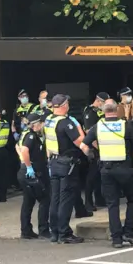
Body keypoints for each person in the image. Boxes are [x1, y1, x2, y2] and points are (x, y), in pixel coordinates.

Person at [81, 99, 133, 248]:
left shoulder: (98, 127)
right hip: (125, 168)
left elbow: (83, 145)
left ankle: (116, 239)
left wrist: (94, 156)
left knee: (112, 204)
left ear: (103, 111)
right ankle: (129, 232)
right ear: (117, 110)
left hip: (107, 170)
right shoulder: (125, 125)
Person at [44, 94, 85, 244]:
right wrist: (80, 129)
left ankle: (54, 232)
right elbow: (79, 141)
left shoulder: (49, 120)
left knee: (55, 199)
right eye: (67, 103)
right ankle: (64, 233)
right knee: (66, 199)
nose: (69, 105)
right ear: (63, 106)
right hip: (66, 164)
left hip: (53, 162)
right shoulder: (65, 122)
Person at [17, 113, 51, 239]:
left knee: (28, 201)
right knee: (44, 199)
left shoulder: (27, 134)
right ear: (37, 124)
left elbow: (17, 146)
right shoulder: (31, 136)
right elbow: (24, 150)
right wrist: (29, 166)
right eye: (41, 123)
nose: (43, 126)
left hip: (26, 172)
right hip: (31, 173)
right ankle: (43, 229)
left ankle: (26, 230)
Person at [82, 92, 108, 211]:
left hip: (101, 145)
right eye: (104, 103)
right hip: (94, 147)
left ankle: (99, 199)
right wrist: (99, 148)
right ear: (98, 101)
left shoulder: (99, 112)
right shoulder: (90, 112)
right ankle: (88, 202)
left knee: (99, 175)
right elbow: (89, 133)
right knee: (91, 176)